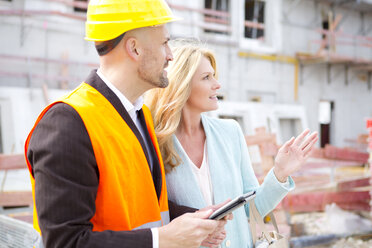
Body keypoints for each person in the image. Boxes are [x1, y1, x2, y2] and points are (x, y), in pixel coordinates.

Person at [24, 2, 230, 248]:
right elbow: (65, 242)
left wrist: (194, 219)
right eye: (164, 43)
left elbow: (144, 209)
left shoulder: (138, 112)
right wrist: (161, 240)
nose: (170, 55)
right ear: (134, 48)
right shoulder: (67, 124)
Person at [146, 39, 319, 248]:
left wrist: (280, 173)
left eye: (214, 76)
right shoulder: (155, 140)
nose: (217, 85)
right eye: (206, 77)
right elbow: (154, 214)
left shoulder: (230, 132)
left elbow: (252, 208)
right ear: (182, 84)